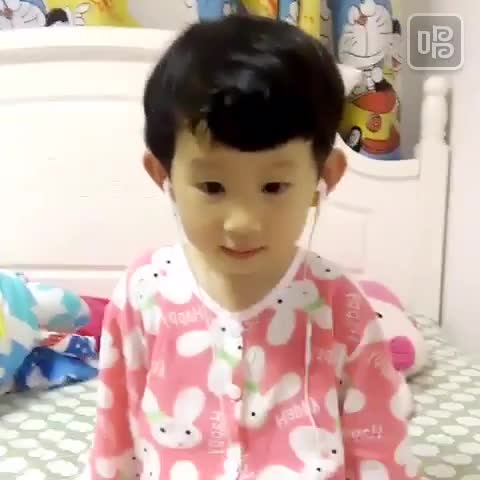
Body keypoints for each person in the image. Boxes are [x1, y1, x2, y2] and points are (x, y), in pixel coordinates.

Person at [85, 14, 419, 480]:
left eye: (275, 187)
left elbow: (379, 447)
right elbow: (115, 437)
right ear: (163, 176)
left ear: (325, 177)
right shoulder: (143, 295)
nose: (243, 223)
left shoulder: (339, 308)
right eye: (212, 186)